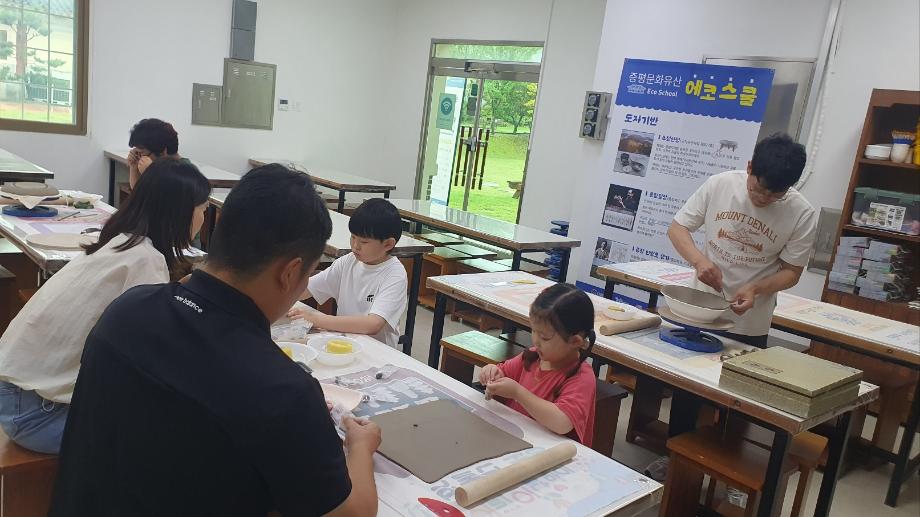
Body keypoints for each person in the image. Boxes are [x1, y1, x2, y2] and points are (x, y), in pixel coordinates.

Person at [50, 164, 381, 517]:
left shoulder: (126, 310)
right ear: (289, 273)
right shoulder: (282, 390)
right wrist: (361, 447)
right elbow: (353, 513)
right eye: (307, 276)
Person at [0, 159, 210, 454]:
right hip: (35, 414)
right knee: (174, 429)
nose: (204, 217)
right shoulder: (145, 260)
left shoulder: (124, 243)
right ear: (182, 212)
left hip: (16, 394)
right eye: (203, 209)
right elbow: (154, 353)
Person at [668, 132, 817, 348]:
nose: (764, 198)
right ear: (749, 167)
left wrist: (756, 288)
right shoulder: (720, 184)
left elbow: (792, 273)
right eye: (759, 189)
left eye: (776, 195)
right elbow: (677, 228)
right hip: (699, 308)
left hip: (750, 323)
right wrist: (699, 261)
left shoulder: (801, 213)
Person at [478, 284, 597, 446]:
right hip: (518, 440)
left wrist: (517, 393)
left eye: (545, 337)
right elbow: (503, 371)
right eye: (533, 331)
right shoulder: (533, 357)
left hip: (551, 452)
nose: (536, 341)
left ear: (575, 341)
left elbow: (562, 422)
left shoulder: (581, 377)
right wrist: (492, 372)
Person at [287, 198, 408, 347]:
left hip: (376, 349)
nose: (355, 246)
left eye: (364, 242)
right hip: (344, 341)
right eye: (353, 237)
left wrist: (317, 319)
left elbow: (373, 324)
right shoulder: (349, 261)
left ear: (388, 244)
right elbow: (306, 289)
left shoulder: (394, 274)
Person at [126, 118, 196, 189]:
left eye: (142, 154)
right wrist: (134, 167)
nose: (140, 157)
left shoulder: (185, 173)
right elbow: (138, 193)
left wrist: (151, 174)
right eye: (137, 153)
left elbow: (159, 195)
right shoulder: (164, 166)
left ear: (161, 151)